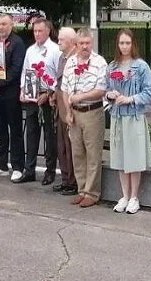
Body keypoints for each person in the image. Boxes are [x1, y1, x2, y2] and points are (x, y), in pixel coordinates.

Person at [105, 29, 151, 215]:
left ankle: (134, 196)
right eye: (121, 43)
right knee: (119, 157)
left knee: (134, 157)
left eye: (127, 43)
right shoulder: (112, 67)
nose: (124, 46)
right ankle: (124, 195)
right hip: (117, 116)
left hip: (133, 116)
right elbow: (106, 89)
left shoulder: (141, 67)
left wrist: (130, 99)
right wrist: (110, 95)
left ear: (132, 44)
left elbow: (149, 91)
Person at [61, 28, 108, 208]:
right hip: (75, 113)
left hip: (92, 112)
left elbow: (101, 89)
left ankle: (92, 193)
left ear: (92, 43)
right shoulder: (71, 62)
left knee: (93, 153)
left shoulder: (99, 62)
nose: (85, 46)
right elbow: (65, 89)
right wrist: (68, 111)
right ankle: (81, 189)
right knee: (78, 153)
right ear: (76, 44)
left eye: (88, 43)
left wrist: (81, 97)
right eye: (81, 43)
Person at [19, 17, 61, 185]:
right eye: (35, 31)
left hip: (48, 96)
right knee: (31, 134)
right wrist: (23, 89)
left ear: (47, 31)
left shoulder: (55, 50)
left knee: (50, 136)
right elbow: (25, 72)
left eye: (40, 31)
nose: (37, 34)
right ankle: (29, 170)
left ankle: (50, 171)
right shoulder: (30, 50)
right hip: (32, 96)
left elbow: (59, 76)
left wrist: (49, 93)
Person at [0, 14, 26, 180]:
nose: (1, 27)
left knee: (15, 129)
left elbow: (16, 69)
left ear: (11, 25)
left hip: (10, 92)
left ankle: (18, 166)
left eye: (4, 24)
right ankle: (1, 164)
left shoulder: (17, 43)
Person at [53, 27, 78, 195]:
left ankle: (74, 182)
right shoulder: (62, 57)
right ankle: (65, 178)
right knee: (61, 145)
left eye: (62, 40)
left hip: (70, 105)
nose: (59, 42)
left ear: (70, 41)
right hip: (60, 103)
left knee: (71, 146)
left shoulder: (75, 59)